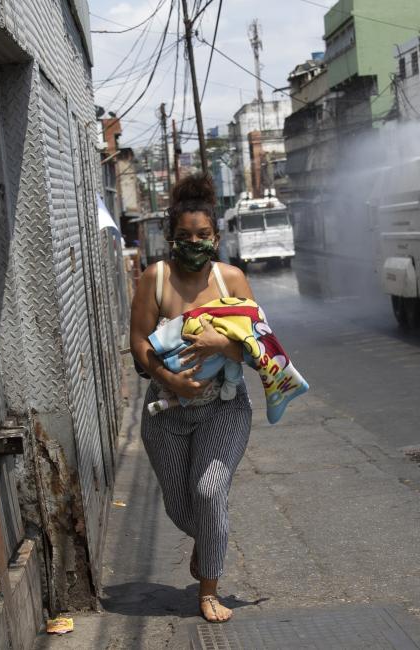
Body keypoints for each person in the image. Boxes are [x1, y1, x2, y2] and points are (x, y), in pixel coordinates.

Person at [129, 173, 254, 623]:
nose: (194, 243)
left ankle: (209, 590)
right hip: (165, 411)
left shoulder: (232, 280)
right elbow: (139, 342)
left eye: (203, 235)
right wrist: (170, 378)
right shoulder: (154, 279)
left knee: (210, 490)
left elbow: (261, 346)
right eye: (184, 236)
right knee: (182, 507)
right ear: (171, 238)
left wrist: (222, 346)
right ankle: (209, 538)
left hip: (224, 406)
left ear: (216, 237)